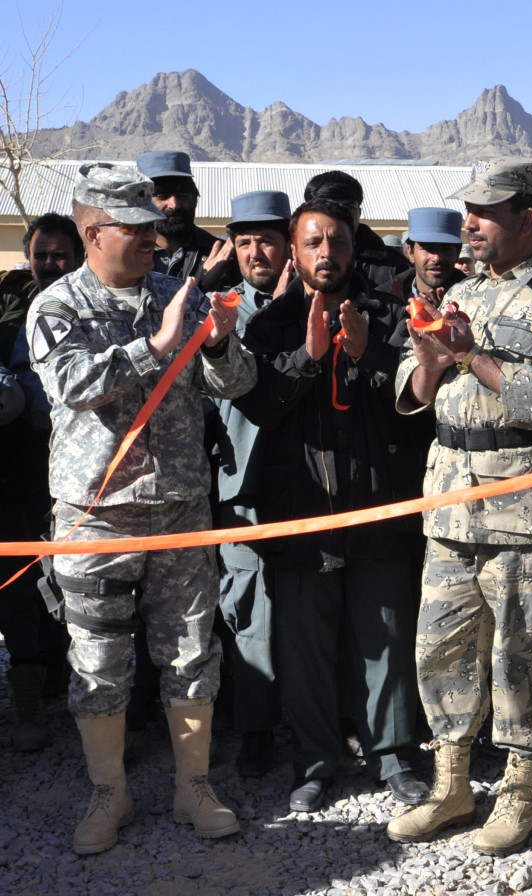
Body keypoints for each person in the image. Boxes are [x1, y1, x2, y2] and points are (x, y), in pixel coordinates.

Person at [25, 162, 256, 855]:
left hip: (180, 507)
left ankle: (193, 787)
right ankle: (110, 793)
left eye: (157, 228)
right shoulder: (57, 305)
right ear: (94, 232)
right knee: (97, 660)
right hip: (96, 516)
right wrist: (157, 345)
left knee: (191, 653)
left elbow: (237, 382)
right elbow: (72, 385)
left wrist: (216, 343)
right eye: (139, 229)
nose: (155, 240)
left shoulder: (175, 293)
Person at [386, 157, 532, 856]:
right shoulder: (462, 293)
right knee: (440, 649)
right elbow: (413, 395)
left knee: (521, 656)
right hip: (450, 504)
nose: (468, 225)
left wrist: (473, 356)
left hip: (525, 513)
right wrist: (429, 358)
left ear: (526, 218)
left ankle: (519, 794)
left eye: (485, 212)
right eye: (466, 212)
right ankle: (452, 785)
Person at [234, 197, 429, 812]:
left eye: (337, 242)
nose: (326, 253)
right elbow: (259, 404)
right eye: (313, 242)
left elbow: (415, 403)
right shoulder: (268, 327)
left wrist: (370, 352)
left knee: (386, 637)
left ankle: (394, 758)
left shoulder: (390, 315)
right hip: (300, 514)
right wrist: (310, 358)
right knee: (305, 650)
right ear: (294, 251)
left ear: (353, 247)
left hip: (376, 509)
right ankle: (314, 764)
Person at [214, 189, 293, 777]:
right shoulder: (218, 312)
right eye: (244, 242)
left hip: (313, 486)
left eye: (266, 239)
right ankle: (257, 729)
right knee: (251, 611)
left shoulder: (317, 303)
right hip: (242, 487)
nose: (255, 251)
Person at [0, 213, 84, 751]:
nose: (49, 264)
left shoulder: (93, 306)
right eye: (41, 254)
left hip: (75, 479)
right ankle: (28, 707)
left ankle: (65, 697)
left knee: (64, 592)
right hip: (16, 474)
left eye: (60, 254)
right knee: (19, 591)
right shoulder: (8, 313)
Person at [136, 150, 238, 290]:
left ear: (195, 200)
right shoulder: (127, 253)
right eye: (162, 195)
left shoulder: (223, 256)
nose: (174, 205)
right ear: (143, 203)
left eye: (183, 194)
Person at [303, 170, 410, 289]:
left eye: (347, 207)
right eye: (328, 207)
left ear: (359, 212)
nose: (339, 215)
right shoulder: (293, 262)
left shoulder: (395, 266)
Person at [390, 207, 466, 302]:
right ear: (411, 253)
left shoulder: (479, 299)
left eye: (446, 249)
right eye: (427, 249)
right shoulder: (387, 301)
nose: (436, 258)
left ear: (458, 253)